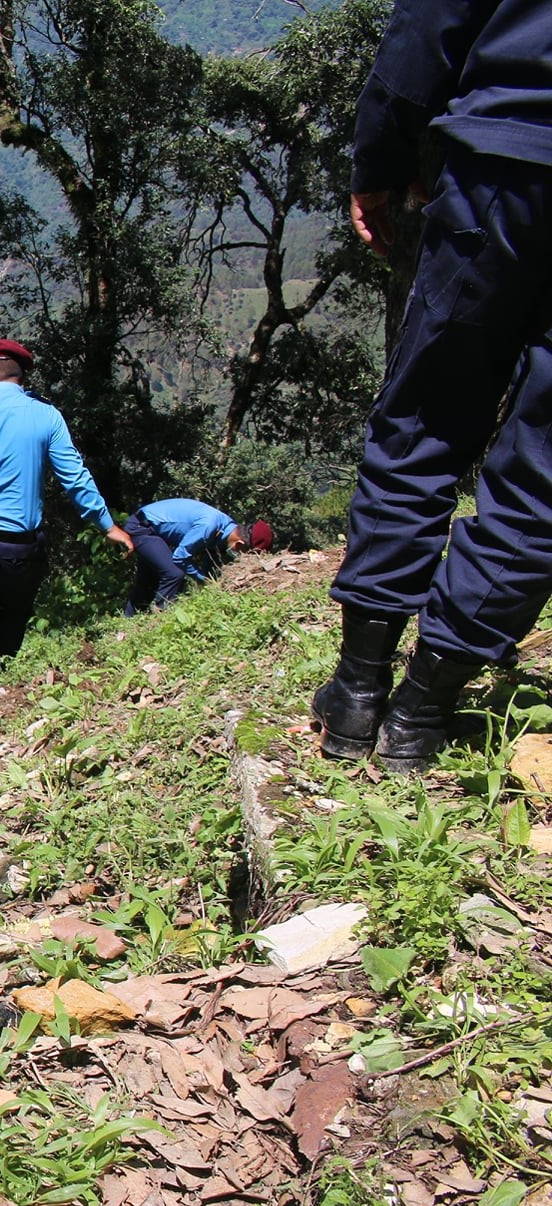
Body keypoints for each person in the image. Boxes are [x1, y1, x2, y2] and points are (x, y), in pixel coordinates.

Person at [310, 0, 552, 772]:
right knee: (545, 468)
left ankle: (356, 692)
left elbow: (429, 22)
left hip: (504, 165)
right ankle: (422, 711)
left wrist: (378, 158)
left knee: (426, 418)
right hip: (504, 151)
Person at [0, 338, 134, 691]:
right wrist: (106, 525)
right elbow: (74, 478)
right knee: (15, 607)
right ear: (21, 378)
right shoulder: (45, 415)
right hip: (16, 545)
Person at [121, 499, 246, 616]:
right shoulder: (208, 526)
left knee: (148, 581)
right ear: (240, 543)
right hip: (142, 527)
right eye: (241, 552)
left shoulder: (226, 528)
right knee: (174, 573)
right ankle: (162, 616)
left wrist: (211, 580)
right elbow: (180, 557)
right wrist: (203, 580)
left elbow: (212, 556)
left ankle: (126, 625)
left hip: (153, 528)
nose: (238, 555)